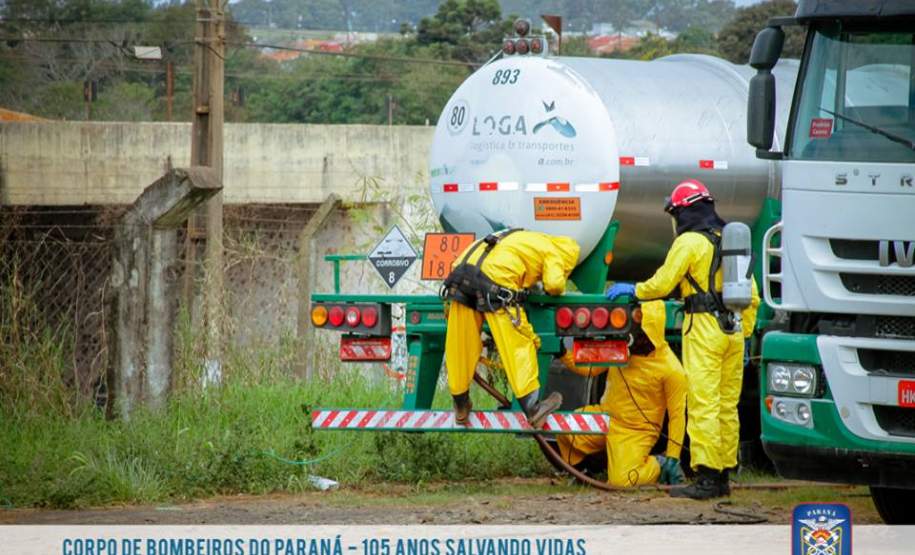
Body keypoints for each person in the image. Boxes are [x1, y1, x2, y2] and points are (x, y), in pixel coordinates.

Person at [605, 179, 760, 499]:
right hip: (733, 330)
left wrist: (634, 290)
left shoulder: (690, 242)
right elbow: (753, 296)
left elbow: (663, 284)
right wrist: (744, 333)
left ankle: (706, 478)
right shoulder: (730, 240)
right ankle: (723, 475)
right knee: (726, 406)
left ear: (683, 213)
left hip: (703, 329)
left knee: (703, 404)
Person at [442, 229, 580, 429]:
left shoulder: (523, 238)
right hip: (495, 282)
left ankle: (460, 404)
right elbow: (554, 284)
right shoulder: (558, 252)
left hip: (459, 274)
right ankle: (533, 408)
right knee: (517, 344)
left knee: (460, 343)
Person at [556, 300, 687, 487]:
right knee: (564, 427)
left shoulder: (671, 369)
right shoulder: (620, 350)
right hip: (605, 417)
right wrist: (562, 353)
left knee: (622, 481)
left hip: (635, 431)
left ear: (652, 334)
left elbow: (677, 416)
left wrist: (673, 457)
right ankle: (582, 473)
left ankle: (659, 464)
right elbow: (590, 369)